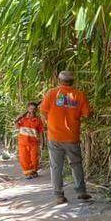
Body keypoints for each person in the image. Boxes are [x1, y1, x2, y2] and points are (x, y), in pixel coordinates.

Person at [40, 70, 92, 204]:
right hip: (72, 136)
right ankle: (81, 192)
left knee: (56, 166)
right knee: (76, 164)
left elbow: (43, 111)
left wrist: (49, 123)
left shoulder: (51, 93)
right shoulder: (79, 95)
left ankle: (59, 195)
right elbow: (87, 114)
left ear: (59, 80)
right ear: (73, 81)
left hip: (54, 136)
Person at [15, 102, 44, 179]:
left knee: (34, 159)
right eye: (30, 108)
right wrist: (17, 119)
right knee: (24, 159)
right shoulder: (23, 119)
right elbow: (16, 126)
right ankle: (28, 173)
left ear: (36, 110)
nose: (32, 110)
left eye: (34, 109)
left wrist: (42, 143)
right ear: (28, 109)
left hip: (34, 143)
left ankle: (33, 171)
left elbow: (41, 132)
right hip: (23, 143)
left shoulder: (38, 120)